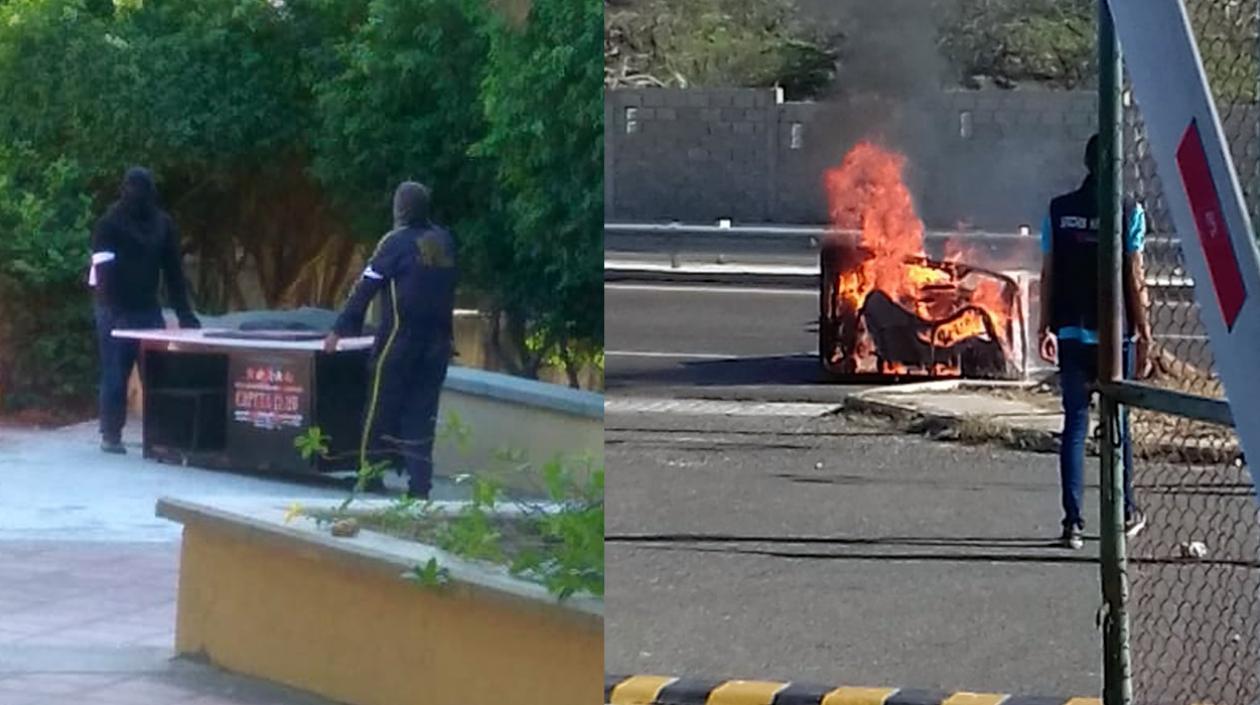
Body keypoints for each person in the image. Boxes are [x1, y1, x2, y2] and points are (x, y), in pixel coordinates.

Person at [1038, 134, 1154, 550]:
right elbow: (1134, 277)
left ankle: (1073, 523)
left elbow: (1048, 273)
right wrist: (1145, 334)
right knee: (1118, 422)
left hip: (1071, 330)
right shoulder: (1129, 210)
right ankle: (1124, 511)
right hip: (1114, 335)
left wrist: (1045, 327)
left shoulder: (1059, 210)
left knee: (1074, 424)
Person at [323, 182, 457, 500]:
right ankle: (420, 487)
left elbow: (366, 287)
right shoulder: (444, 241)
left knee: (379, 409)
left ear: (401, 210)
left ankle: (368, 475)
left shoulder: (395, 242)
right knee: (422, 415)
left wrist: (340, 330)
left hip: (400, 341)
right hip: (438, 345)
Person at [89, 167, 201, 455]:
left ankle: (161, 437)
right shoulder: (109, 223)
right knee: (115, 372)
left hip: (148, 309)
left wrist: (185, 314)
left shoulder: (162, 224)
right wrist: (112, 309)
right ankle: (111, 434)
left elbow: (173, 271)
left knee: (158, 375)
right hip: (114, 309)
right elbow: (102, 272)